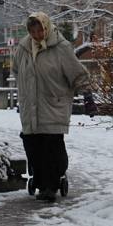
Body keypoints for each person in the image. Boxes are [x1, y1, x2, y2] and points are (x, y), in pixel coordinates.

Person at [11, 12, 98, 202]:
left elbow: (78, 74)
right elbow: (16, 70)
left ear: (47, 27)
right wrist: (24, 94)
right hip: (30, 107)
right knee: (32, 145)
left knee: (51, 146)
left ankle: (50, 185)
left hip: (54, 104)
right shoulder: (23, 48)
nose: (36, 34)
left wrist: (88, 97)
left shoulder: (61, 48)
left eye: (40, 30)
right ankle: (40, 180)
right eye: (32, 31)